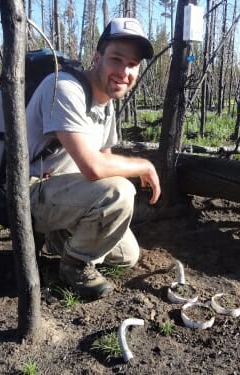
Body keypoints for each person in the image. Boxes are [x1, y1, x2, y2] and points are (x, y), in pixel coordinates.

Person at [25, 17, 161, 300]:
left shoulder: (106, 106)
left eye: (133, 64)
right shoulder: (63, 88)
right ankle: (75, 267)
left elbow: (105, 160)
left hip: (66, 193)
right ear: (97, 58)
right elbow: (94, 167)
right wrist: (144, 165)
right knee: (121, 191)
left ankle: (60, 238)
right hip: (30, 191)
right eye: (116, 59)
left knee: (127, 255)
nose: (124, 71)